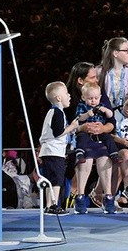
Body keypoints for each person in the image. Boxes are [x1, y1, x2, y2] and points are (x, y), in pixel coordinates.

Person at [65, 62, 116, 214]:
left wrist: (102, 128)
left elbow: (111, 122)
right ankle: (80, 197)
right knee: (85, 159)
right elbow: (67, 125)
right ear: (80, 81)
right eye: (92, 77)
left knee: (104, 157)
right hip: (78, 138)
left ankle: (108, 197)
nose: (96, 81)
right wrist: (82, 127)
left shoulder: (100, 94)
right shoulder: (69, 97)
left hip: (100, 136)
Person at [38, 81, 79, 215]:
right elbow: (58, 132)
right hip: (53, 151)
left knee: (51, 178)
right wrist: (72, 127)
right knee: (57, 178)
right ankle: (54, 204)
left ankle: (49, 205)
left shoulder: (53, 112)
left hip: (49, 151)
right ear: (59, 98)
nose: (69, 96)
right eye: (67, 93)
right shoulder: (57, 112)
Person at [74, 82, 120, 164]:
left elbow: (110, 115)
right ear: (83, 97)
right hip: (86, 130)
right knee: (82, 137)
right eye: (90, 98)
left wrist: (106, 110)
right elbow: (79, 117)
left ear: (100, 97)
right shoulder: (82, 106)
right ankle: (80, 153)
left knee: (109, 138)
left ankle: (114, 155)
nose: (93, 101)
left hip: (99, 131)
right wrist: (87, 114)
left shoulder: (102, 106)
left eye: (96, 98)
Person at [97, 37, 128, 111]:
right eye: (126, 51)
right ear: (115, 53)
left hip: (125, 114)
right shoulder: (99, 71)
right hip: (105, 113)